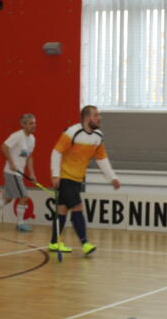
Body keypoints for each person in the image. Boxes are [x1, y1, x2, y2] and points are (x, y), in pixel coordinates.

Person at [49, 105, 121, 256]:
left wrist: (112, 177)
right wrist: (55, 174)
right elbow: (56, 152)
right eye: (96, 115)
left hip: (77, 179)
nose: (99, 118)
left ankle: (54, 243)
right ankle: (84, 243)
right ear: (87, 118)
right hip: (66, 177)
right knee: (77, 207)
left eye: (99, 115)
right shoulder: (72, 133)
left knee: (62, 209)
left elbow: (102, 159)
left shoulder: (98, 136)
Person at [0, 113, 38, 233]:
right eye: (31, 123)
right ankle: (20, 224)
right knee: (24, 197)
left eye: (34, 123)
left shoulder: (32, 139)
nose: (34, 125)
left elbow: (30, 157)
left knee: (8, 198)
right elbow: (4, 147)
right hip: (12, 173)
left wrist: (32, 174)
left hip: (18, 173)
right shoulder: (17, 136)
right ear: (23, 124)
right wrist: (11, 163)